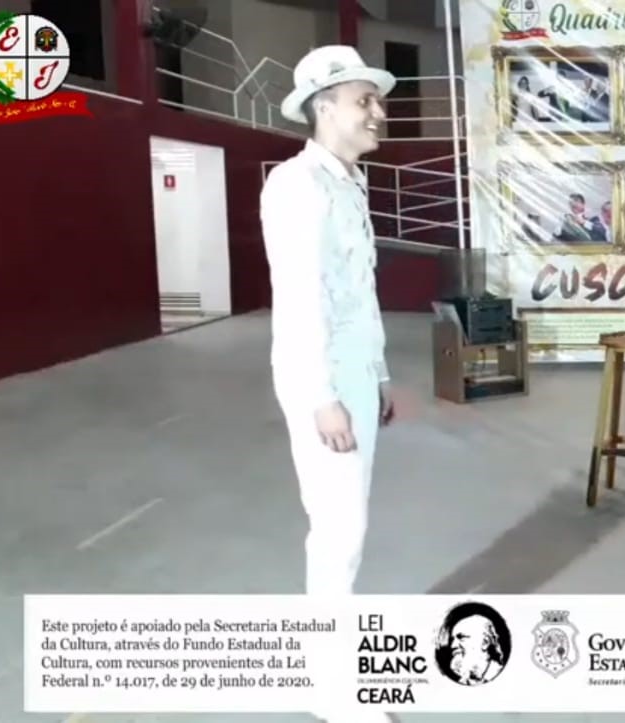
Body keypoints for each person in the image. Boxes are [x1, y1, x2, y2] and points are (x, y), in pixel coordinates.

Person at [261, 45, 398, 723]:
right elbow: (299, 301)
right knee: (338, 530)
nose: (378, 112)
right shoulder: (297, 186)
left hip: (354, 373)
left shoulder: (348, 181)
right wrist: (322, 396)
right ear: (323, 108)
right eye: (363, 100)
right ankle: (327, 687)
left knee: (350, 525)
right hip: (320, 378)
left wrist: (379, 372)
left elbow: (358, 290)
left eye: (377, 100)